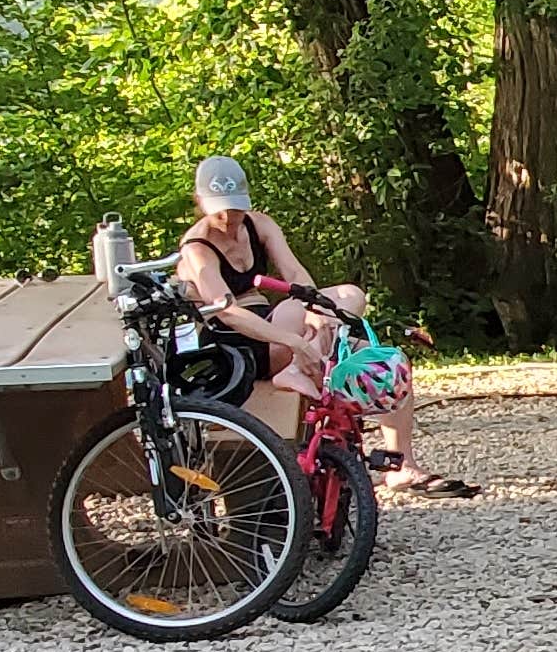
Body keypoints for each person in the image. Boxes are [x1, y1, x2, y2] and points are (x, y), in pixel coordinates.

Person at [172, 157, 471, 496]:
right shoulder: (197, 248)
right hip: (240, 344)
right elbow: (228, 313)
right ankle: (298, 365)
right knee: (299, 314)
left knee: (382, 353)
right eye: (220, 212)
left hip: (279, 327)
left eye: (236, 210)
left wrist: (315, 310)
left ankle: (402, 465)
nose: (229, 220)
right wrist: (294, 340)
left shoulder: (260, 225)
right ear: (200, 203)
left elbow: (295, 275)